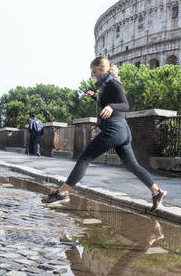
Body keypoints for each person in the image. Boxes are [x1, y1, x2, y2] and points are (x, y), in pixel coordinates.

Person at [42, 56, 167, 212]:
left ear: (102, 70)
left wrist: (112, 107)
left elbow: (125, 105)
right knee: (132, 166)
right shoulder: (105, 85)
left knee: (84, 158)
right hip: (122, 131)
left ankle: (61, 193)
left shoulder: (114, 83)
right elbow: (106, 102)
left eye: (95, 72)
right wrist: (95, 97)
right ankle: (156, 192)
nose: (93, 75)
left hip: (115, 129)